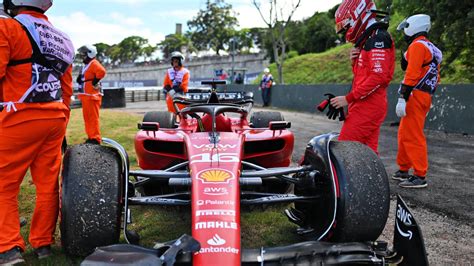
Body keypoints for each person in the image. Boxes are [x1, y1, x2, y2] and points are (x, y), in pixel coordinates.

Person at [0, 0, 75, 263]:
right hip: (55, 116)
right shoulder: (62, 38)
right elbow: (66, 88)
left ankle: (8, 247)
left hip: (19, 115)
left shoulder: (6, 27)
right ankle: (43, 244)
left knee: (3, 185)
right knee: (46, 185)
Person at [330, 0, 395, 154]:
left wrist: (348, 98)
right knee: (367, 155)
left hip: (368, 106)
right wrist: (354, 62)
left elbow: (378, 77)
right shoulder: (370, 38)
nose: (346, 32)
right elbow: (364, 77)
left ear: (357, 15)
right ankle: (372, 179)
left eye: (346, 27)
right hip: (367, 104)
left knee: (345, 152)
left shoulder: (378, 38)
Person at [393, 14, 442, 188]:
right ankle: (404, 168)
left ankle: (420, 175)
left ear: (413, 27)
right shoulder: (431, 48)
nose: (404, 33)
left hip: (415, 94)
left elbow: (411, 74)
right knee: (405, 133)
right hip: (424, 94)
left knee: (412, 135)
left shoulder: (417, 46)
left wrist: (403, 97)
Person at [76, 44, 106, 144]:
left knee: (93, 118)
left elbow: (101, 72)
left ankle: (95, 138)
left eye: (84, 55)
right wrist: (80, 78)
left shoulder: (94, 63)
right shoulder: (86, 65)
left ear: (90, 54)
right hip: (86, 95)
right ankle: (90, 136)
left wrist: (94, 82)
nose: (82, 57)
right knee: (87, 117)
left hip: (92, 96)